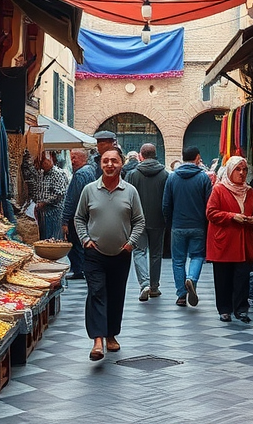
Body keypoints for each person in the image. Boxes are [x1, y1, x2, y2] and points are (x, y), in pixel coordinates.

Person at [74, 148, 145, 361]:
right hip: (94, 253)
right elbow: (79, 218)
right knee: (96, 292)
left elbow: (139, 220)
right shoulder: (89, 190)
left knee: (115, 295)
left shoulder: (130, 191)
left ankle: (111, 335)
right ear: (100, 164)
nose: (110, 164)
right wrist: (85, 239)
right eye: (105, 161)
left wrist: (131, 243)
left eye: (114, 160)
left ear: (121, 164)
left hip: (121, 253)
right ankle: (97, 341)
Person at [206, 156, 253, 323]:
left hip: (243, 242)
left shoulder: (249, 191)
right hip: (224, 242)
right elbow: (211, 213)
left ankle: (241, 309)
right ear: (230, 171)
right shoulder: (219, 190)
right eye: (238, 169)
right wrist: (232, 217)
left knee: (242, 277)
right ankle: (224, 309)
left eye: (244, 169)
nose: (242, 173)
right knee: (223, 277)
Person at [163, 146, 213, 307]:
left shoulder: (172, 178)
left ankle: (181, 295)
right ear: (198, 158)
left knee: (178, 260)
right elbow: (209, 204)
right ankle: (191, 278)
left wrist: (170, 222)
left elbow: (166, 205)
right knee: (197, 256)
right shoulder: (203, 178)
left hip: (178, 225)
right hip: (198, 225)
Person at [125, 143, 168, 302]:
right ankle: (155, 286)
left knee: (139, 252)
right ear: (155, 154)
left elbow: (127, 198)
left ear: (141, 156)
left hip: (137, 220)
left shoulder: (132, 174)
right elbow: (167, 199)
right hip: (158, 219)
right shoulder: (164, 174)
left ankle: (144, 284)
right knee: (156, 253)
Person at [62, 148, 97, 280]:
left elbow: (72, 198)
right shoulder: (90, 171)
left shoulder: (80, 174)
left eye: (75, 157)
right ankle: (81, 269)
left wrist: (65, 219)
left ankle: (79, 269)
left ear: (83, 158)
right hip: (86, 214)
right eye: (71, 157)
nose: (72, 161)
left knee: (76, 242)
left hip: (77, 215)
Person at [33, 150, 68, 240]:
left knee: (55, 238)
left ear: (51, 160)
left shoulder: (58, 173)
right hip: (43, 213)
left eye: (45, 161)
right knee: (45, 238)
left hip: (55, 212)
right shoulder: (41, 173)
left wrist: (44, 202)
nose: (43, 164)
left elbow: (59, 193)